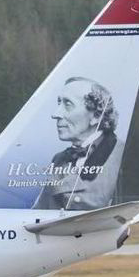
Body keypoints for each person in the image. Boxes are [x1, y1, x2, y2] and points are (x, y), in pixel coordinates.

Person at [33, 76, 124, 210]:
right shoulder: (59, 159)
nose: (55, 114)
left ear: (96, 116)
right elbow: (40, 211)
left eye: (68, 104)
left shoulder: (120, 155)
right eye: (59, 103)